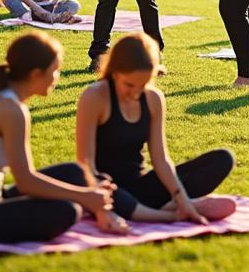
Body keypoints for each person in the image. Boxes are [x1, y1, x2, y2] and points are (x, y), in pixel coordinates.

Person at [0, 32, 126, 242]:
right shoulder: (11, 110)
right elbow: (26, 181)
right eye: (55, 71)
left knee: (74, 172)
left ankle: (100, 207)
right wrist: (85, 197)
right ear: (36, 74)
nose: (57, 77)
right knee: (66, 211)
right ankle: (96, 204)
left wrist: (90, 197)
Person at [75, 34, 238, 224]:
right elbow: (85, 163)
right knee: (110, 192)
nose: (136, 93)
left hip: (141, 187)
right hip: (105, 188)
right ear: (115, 72)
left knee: (222, 159)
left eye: (143, 85)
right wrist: (100, 201)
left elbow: (160, 158)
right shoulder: (94, 96)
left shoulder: (153, 99)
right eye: (129, 85)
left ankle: (174, 205)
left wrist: (181, 197)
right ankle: (169, 213)